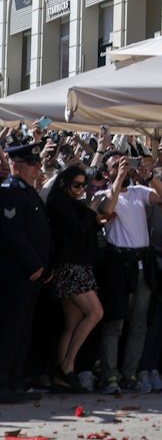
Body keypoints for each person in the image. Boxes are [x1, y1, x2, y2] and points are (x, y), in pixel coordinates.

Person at [95, 153, 162, 395]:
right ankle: (110, 375)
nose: (123, 168)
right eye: (115, 166)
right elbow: (106, 208)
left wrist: (149, 175)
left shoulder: (139, 191)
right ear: (106, 173)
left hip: (141, 264)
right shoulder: (102, 194)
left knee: (139, 325)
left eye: (124, 164)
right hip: (118, 264)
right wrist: (117, 179)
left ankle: (130, 372)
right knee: (114, 323)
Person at [0, 145, 53, 403]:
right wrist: (35, 265)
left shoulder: (29, 193)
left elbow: (41, 233)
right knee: (10, 330)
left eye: (37, 163)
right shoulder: (9, 192)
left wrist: (46, 267)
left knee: (23, 331)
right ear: (16, 165)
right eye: (32, 163)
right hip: (16, 275)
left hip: (33, 276)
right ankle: (3, 383)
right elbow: (13, 235)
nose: (37, 168)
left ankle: (15, 380)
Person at [45, 165, 104, 393]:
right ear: (64, 183)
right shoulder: (59, 201)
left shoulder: (70, 202)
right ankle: (67, 366)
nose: (80, 189)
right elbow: (78, 228)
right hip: (69, 266)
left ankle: (61, 377)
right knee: (95, 313)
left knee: (72, 324)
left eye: (83, 185)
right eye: (76, 185)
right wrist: (90, 209)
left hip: (78, 264)